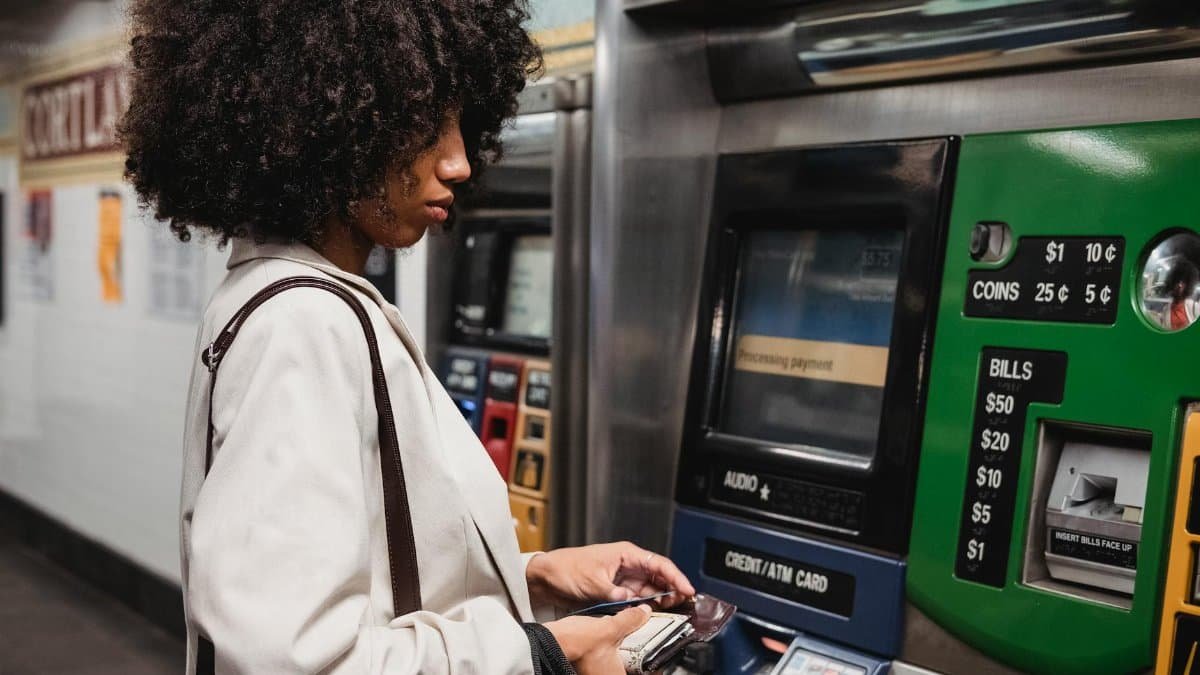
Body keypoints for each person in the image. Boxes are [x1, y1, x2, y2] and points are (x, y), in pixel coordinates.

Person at [119, 2, 695, 673]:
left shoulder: (289, 298)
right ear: (327, 125)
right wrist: (545, 655)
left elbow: (377, 569)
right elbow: (299, 660)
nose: (458, 163)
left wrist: (533, 573)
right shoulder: (302, 323)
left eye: (461, 123)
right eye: (425, 126)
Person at [1165, 260, 1199, 331]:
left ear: (1189, 284)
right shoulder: (1166, 309)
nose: (1180, 285)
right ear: (1172, 283)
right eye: (1177, 281)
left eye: (1184, 282)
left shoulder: (1195, 308)